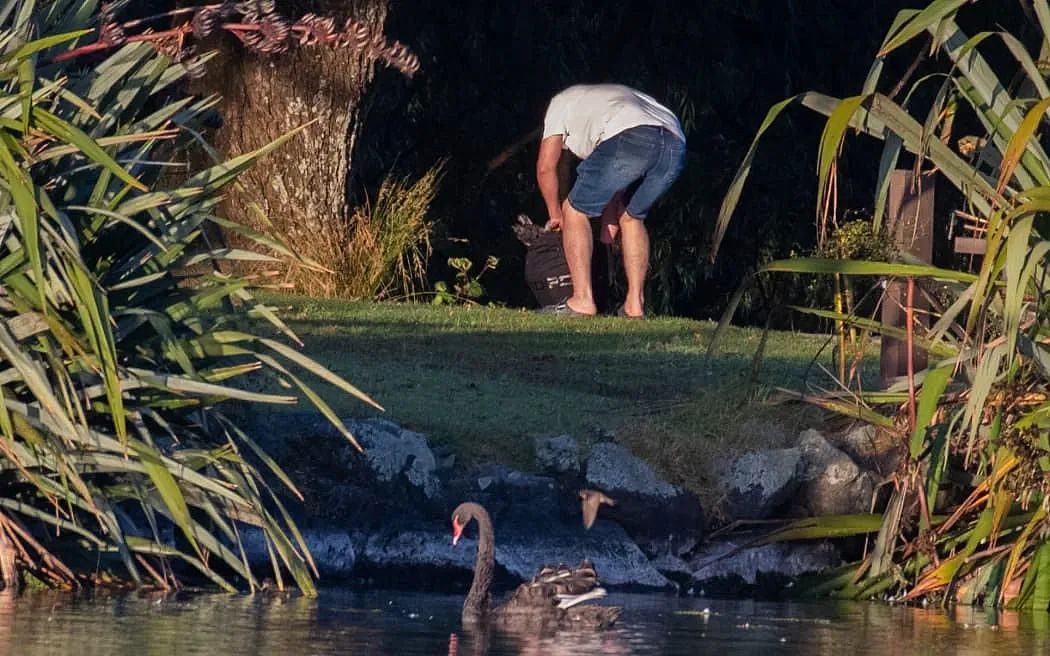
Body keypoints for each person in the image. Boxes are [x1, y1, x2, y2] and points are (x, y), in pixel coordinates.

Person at [536, 83, 686, 318]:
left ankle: (582, 301)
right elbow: (615, 185)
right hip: (675, 144)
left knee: (573, 210)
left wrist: (555, 214)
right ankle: (634, 306)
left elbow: (546, 168)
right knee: (632, 217)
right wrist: (608, 232)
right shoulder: (606, 103)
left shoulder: (559, 104)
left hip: (632, 135)